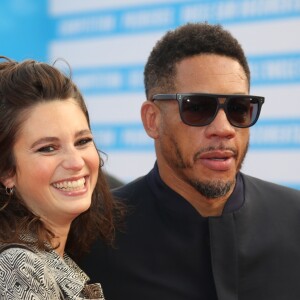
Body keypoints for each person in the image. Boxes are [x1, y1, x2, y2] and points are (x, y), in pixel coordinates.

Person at [79, 23, 300, 300]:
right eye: (198, 108)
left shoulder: (294, 219)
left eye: (239, 109)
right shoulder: (89, 235)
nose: (224, 128)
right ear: (152, 119)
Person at [0, 56, 124, 299]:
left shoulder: (49, 257)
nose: (76, 162)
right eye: (48, 148)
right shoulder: (19, 267)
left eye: (83, 141)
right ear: (7, 171)